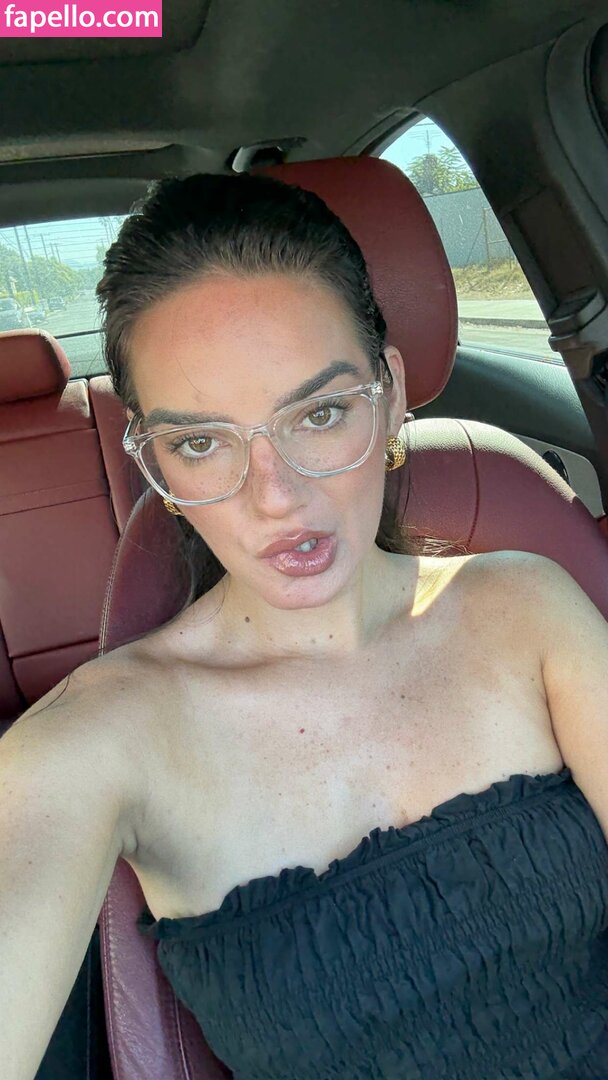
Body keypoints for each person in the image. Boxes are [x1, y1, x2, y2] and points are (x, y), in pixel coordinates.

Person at [2, 171, 608, 1080]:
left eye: (320, 413)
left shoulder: (527, 606)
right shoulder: (98, 741)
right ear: (154, 462)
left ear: (389, 393)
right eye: (200, 442)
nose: (276, 497)